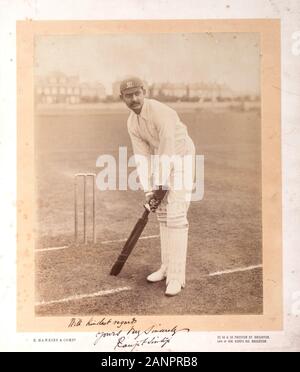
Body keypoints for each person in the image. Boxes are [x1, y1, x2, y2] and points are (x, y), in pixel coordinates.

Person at [120, 76, 195, 296]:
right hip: (161, 158)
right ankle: (166, 267)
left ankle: (177, 276)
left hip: (181, 158)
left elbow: (168, 149)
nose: (134, 99)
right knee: (162, 215)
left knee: (176, 216)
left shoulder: (160, 112)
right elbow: (142, 157)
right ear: (122, 98)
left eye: (137, 93)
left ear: (144, 92)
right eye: (129, 95)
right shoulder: (132, 123)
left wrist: (161, 183)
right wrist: (149, 190)